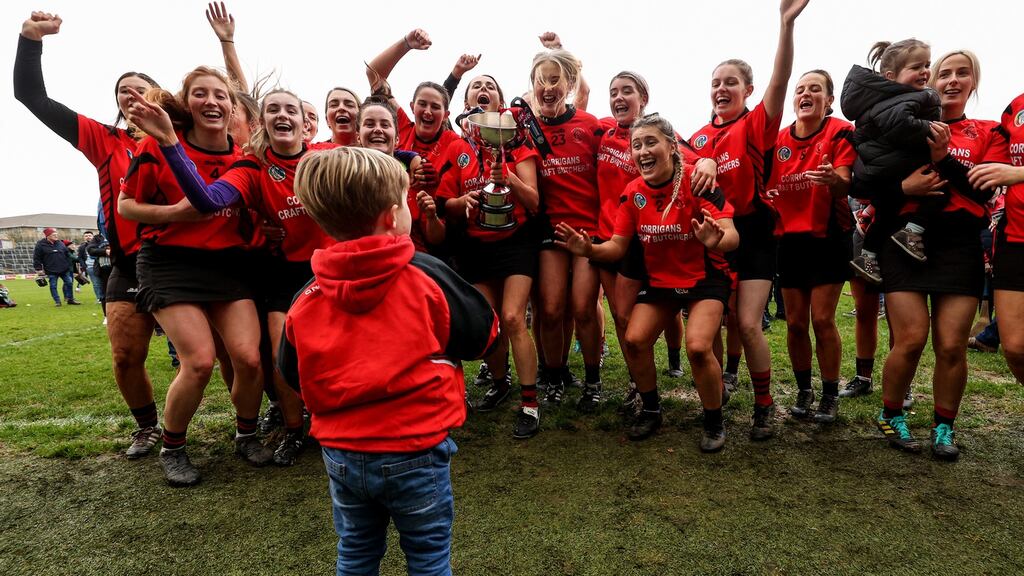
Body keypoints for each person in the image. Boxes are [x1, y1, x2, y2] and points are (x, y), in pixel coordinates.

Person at [279, 146, 499, 576]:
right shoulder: (425, 275)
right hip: (415, 448)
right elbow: (483, 336)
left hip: (341, 453)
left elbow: (291, 372)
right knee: (429, 559)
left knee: (356, 553)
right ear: (391, 215)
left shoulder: (306, 296)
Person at [131, 87, 336, 465]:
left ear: (306, 125)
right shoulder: (252, 167)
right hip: (283, 273)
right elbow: (209, 201)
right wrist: (171, 144)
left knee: (326, 354)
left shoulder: (327, 156)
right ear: (264, 122)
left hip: (330, 268)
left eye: (291, 109)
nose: (283, 115)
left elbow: (377, 166)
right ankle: (292, 431)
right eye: (273, 109)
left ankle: (336, 426)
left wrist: (408, 161)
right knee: (277, 357)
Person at [15, 11, 163, 458]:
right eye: (123, 92)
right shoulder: (104, 139)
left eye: (141, 89)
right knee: (124, 356)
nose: (131, 96)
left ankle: (250, 426)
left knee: (223, 353)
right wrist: (30, 41)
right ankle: (149, 428)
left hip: (185, 261)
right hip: (128, 264)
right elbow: (31, 96)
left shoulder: (185, 137)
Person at [855, 49, 1007, 460]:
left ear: (974, 82)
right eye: (945, 73)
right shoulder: (906, 125)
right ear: (930, 81)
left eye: (963, 73)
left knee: (952, 345)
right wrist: (904, 190)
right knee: (910, 338)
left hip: (959, 246)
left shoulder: (988, 131)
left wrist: (944, 161)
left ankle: (944, 427)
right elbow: (868, 181)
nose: (953, 80)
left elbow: (986, 189)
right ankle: (891, 415)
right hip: (904, 241)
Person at [120, 66, 269, 486]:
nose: (211, 101)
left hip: (226, 265)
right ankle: (173, 447)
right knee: (200, 361)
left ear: (232, 106)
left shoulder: (244, 161)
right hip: (169, 262)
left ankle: (246, 434)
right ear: (187, 104)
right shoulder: (156, 144)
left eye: (220, 94)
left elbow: (226, 205)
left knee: (249, 358)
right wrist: (172, 215)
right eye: (200, 94)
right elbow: (126, 206)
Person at [557, 113, 738, 450]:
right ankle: (652, 410)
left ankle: (714, 421)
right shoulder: (632, 193)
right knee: (635, 339)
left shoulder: (697, 184)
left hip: (705, 280)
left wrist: (717, 240)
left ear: (671, 147)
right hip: (660, 284)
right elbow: (617, 247)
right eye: (636, 145)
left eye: (651, 142)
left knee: (698, 346)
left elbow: (732, 235)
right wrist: (589, 250)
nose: (642, 151)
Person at [688, 0, 808, 440]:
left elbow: (782, 79)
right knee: (714, 322)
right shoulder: (698, 137)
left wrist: (785, 25)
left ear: (748, 89)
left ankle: (763, 404)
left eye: (731, 82)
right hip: (711, 234)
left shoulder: (757, 123)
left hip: (755, 233)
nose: (722, 88)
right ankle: (715, 395)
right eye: (716, 82)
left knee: (746, 322)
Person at [596, 71, 717, 408]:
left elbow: (692, 159)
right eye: (614, 91)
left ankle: (681, 363)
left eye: (627, 91)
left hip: (652, 236)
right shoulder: (602, 131)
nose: (619, 97)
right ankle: (640, 385)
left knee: (664, 306)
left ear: (643, 99)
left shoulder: (661, 133)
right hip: (612, 233)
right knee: (623, 316)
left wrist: (708, 160)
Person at [437, 74, 543, 437]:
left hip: (516, 242)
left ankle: (530, 403)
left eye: (490, 86)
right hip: (476, 246)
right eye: (476, 86)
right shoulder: (456, 147)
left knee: (514, 317)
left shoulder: (518, 144)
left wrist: (509, 178)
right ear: (467, 102)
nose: (483, 90)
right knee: (488, 322)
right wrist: (460, 203)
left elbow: (534, 202)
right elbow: (446, 204)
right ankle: (500, 382)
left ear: (500, 102)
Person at [765, 69, 856, 423]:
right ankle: (805, 389)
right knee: (795, 323)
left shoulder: (840, 132)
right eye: (800, 89)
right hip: (789, 242)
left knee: (822, 318)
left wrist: (835, 179)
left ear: (829, 100)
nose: (806, 94)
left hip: (829, 237)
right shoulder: (779, 141)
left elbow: (845, 181)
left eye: (815, 89)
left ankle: (830, 394)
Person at [530, 48, 605, 407]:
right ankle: (555, 375)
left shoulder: (591, 126)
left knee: (584, 308)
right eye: (540, 80)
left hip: (588, 230)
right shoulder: (525, 129)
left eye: (554, 79)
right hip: (549, 231)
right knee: (550, 308)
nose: (547, 87)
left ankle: (593, 380)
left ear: (570, 84)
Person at [841, 39, 942, 284]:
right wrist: (931, 127)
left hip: (877, 168)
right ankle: (913, 231)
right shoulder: (905, 98)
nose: (925, 72)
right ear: (890, 76)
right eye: (916, 67)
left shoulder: (878, 100)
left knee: (885, 212)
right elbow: (901, 125)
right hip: (889, 166)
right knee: (939, 187)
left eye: (927, 65)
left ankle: (867, 254)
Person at [968, 91, 1024, 384]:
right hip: (1014, 238)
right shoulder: (1015, 107)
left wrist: (1018, 173)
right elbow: (990, 167)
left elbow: (1010, 172)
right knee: (1015, 348)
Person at [33, 227, 79, 306]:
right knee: (53, 286)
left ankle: (70, 299)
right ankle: (57, 301)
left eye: (56, 234)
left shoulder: (60, 243)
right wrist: (38, 269)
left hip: (64, 269)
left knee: (69, 283)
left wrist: (75, 261)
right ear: (48, 236)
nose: (56, 236)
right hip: (51, 270)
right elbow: (37, 258)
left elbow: (67, 254)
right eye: (54, 235)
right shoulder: (40, 245)